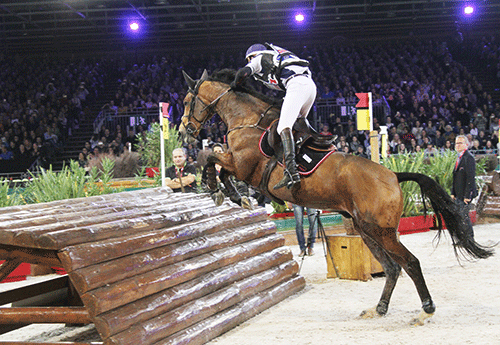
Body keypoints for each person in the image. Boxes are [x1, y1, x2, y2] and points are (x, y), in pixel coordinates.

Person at [232, 43, 316, 190]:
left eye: (249, 59)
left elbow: (243, 73)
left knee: (283, 127)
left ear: (252, 56)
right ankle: (309, 156)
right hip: (309, 86)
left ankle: (291, 171)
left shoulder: (259, 58)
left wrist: (235, 85)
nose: (249, 62)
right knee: (299, 124)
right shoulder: (275, 55)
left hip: (296, 85)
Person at [451, 135, 477, 239]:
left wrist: (467, 195)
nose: (457, 145)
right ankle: (461, 239)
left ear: (466, 145)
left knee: (464, 217)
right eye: (456, 143)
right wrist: (453, 192)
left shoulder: (468, 158)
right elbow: (455, 177)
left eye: (460, 143)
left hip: (465, 194)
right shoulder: (459, 158)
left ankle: (470, 239)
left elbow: (470, 178)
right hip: (458, 193)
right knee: (458, 217)